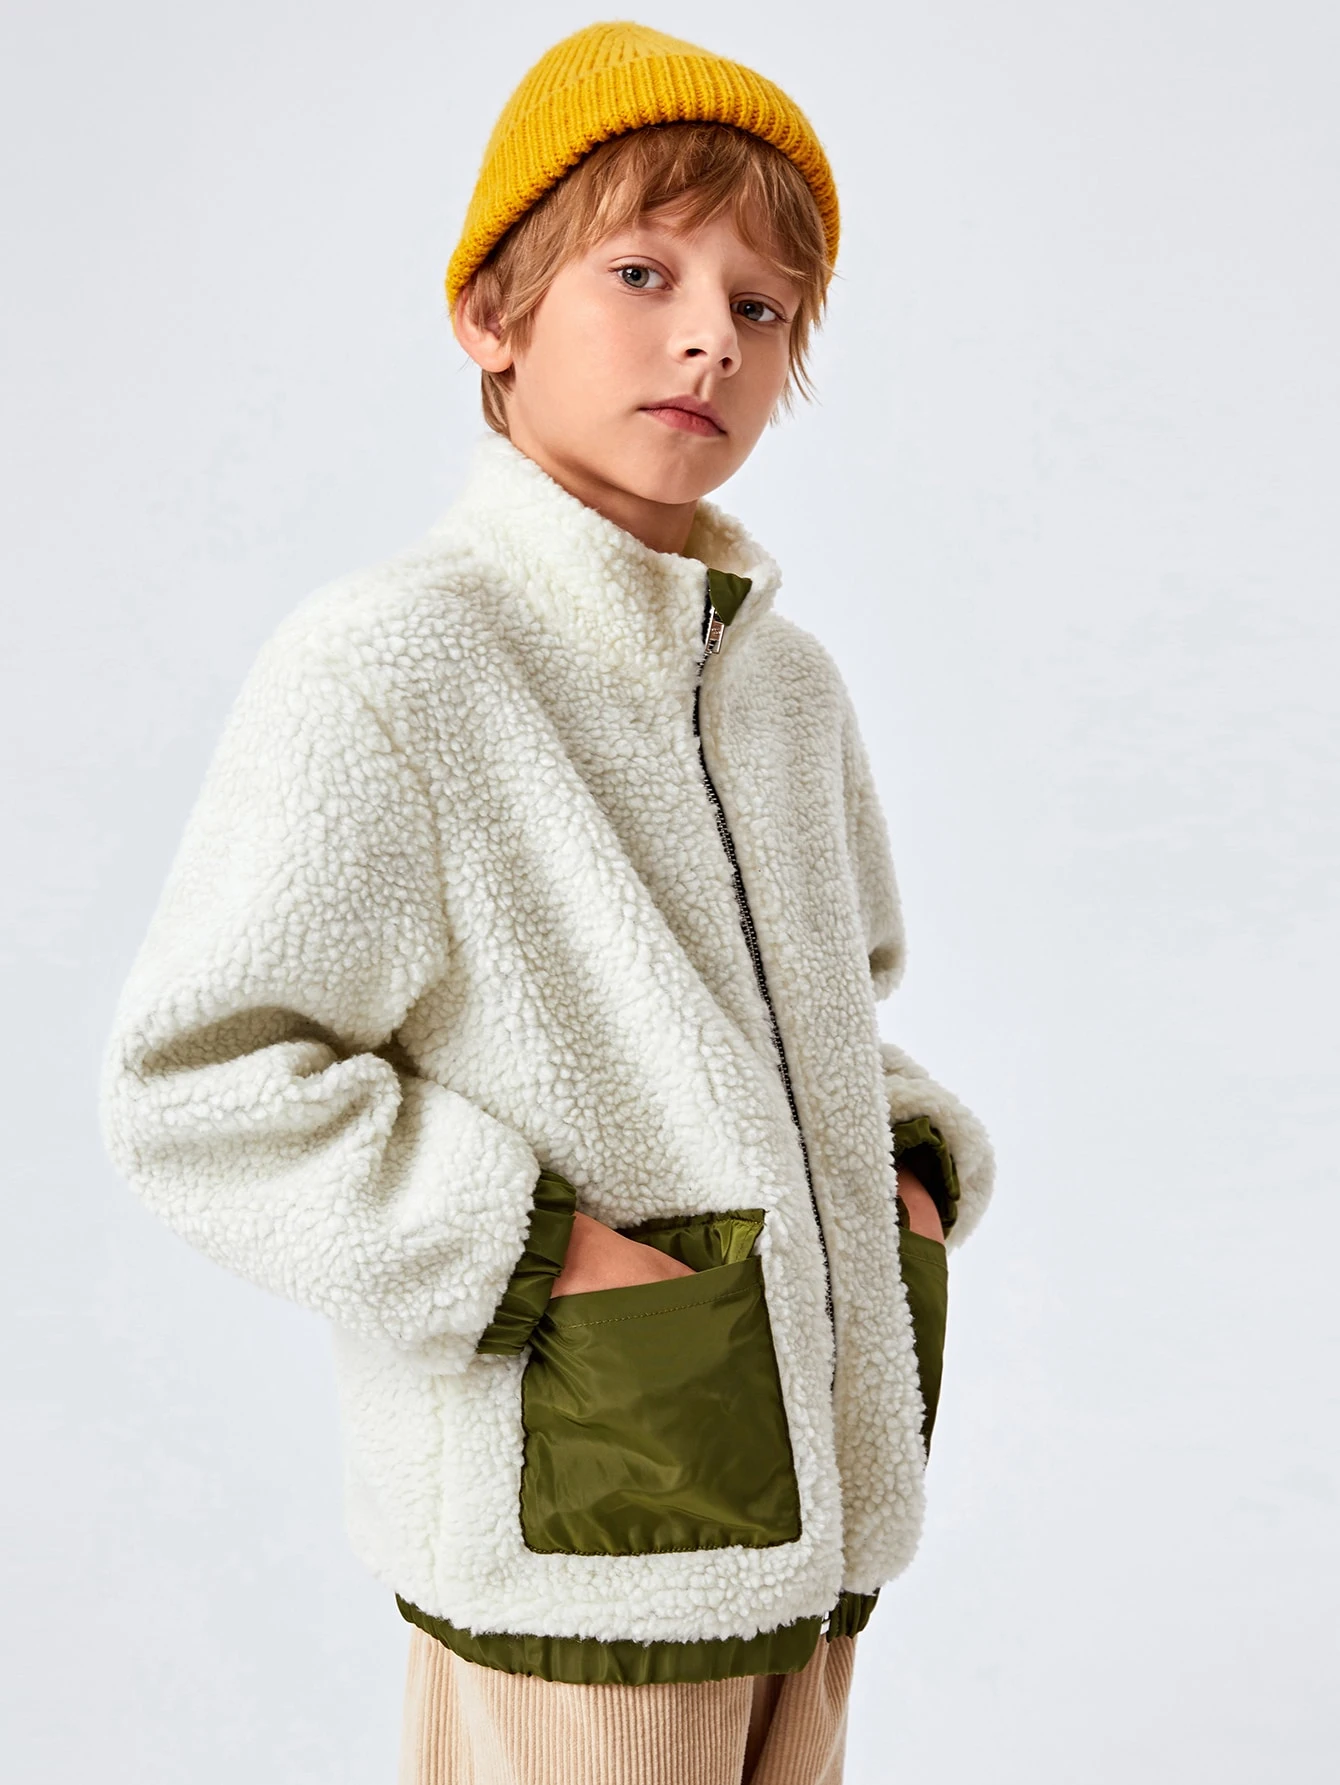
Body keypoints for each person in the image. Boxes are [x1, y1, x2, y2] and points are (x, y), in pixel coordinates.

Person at [99, 21, 996, 1784]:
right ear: (490, 316)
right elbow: (198, 1087)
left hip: (817, 1529)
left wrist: (905, 1175)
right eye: (643, 272)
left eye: (761, 307)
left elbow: (823, 1016)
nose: (707, 336)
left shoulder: (787, 687)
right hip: (586, 1523)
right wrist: (536, 1256)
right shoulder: (397, 664)